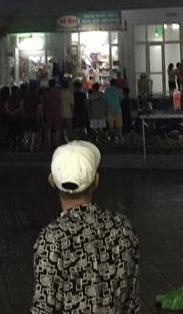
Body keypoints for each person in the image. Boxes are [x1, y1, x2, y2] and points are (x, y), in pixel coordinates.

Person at [32, 141, 141, 312]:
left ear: (51, 180)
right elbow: (131, 301)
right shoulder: (122, 227)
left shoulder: (52, 238)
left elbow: (44, 307)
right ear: (96, 180)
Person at [43, 79, 62, 151]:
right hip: (56, 113)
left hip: (48, 113)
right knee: (57, 129)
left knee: (48, 129)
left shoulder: (47, 94)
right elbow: (59, 103)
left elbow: (45, 104)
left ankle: (49, 145)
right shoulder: (58, 93)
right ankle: (57, 145)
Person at [23, 82, 42, 151]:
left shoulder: (26, 95)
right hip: (34, 115)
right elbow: (39, 107)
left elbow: (23, 105)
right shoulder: (37, 96)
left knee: (27, 130)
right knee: (34, 131)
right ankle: (31, 145)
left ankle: (25, 144)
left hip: (26, 115)